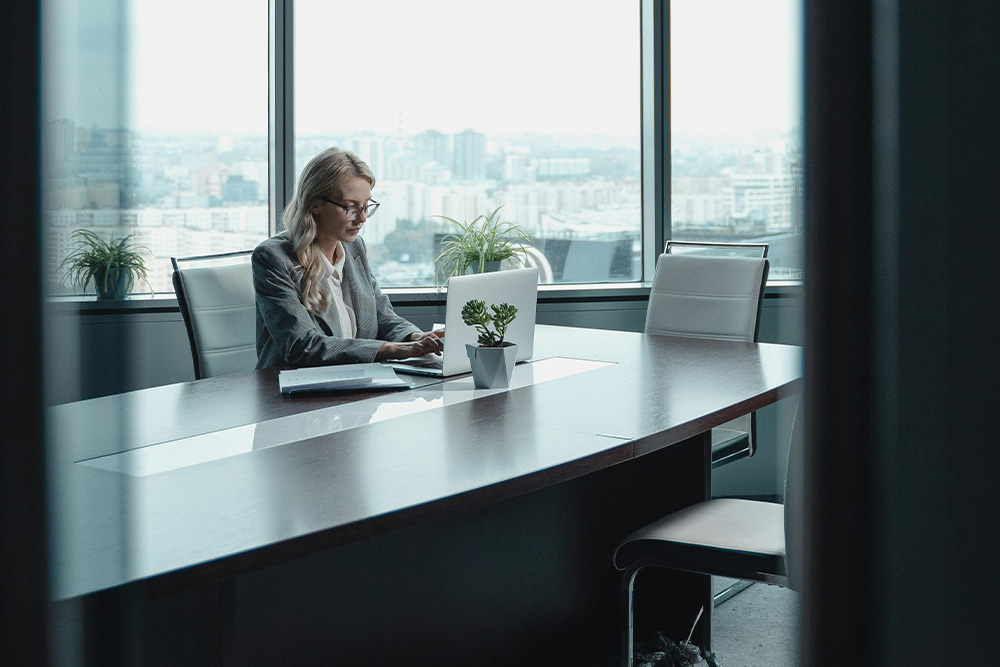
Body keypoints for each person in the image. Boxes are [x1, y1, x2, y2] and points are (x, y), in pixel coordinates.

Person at [252, 147, 443, 368]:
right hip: (293, 393)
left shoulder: (354, 249)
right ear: (315, 205)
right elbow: (302, 346)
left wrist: (416, 338)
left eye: (366, 206)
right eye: (350, 207)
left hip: (357, 383)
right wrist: (392, 350)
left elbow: (382, 317)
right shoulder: (274, 258)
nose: (362, 218)